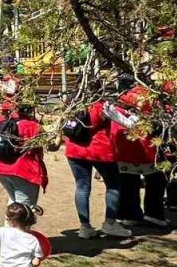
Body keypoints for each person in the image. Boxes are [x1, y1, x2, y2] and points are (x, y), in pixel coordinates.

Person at [63, 99, 134, 239]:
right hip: (100, 151)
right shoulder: (102, 105)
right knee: (113, 185)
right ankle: (110, 223)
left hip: (74, 150)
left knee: (82, 188)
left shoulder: (72, 101)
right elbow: (128, 123)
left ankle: (85, 227)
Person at [114, 88, 167, 228]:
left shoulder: (122, 98)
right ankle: (153, 213)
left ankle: (128, 214)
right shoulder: (150, 96)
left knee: (128, 183)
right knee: (156, 181)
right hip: (146, 148)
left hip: (125, 148)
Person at [0, 104, 47, 207]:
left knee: (14, 202)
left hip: (0, 167)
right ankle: (14, 222)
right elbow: (53, 146)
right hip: (22, 171)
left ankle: (9, 222)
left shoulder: (3, 120)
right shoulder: (33, 126)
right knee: (23, 211)